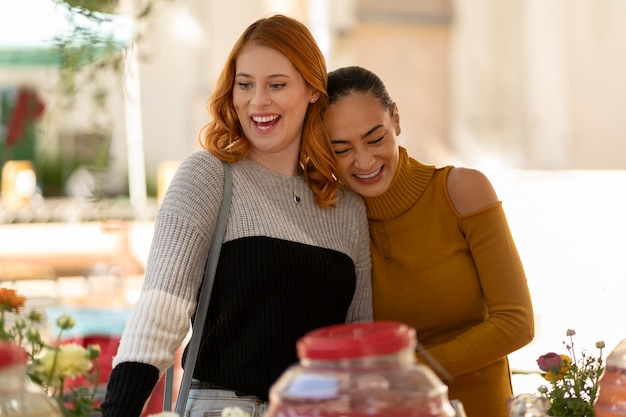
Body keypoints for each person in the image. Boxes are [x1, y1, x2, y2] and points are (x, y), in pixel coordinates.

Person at [100, 17, 372, 417]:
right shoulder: (208, 175)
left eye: (276, 85)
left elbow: (358, 338)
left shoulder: (346, 207)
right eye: (245, 84)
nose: (257, 101)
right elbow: (160, 311)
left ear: (313, 91)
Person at [323, 65, 534, 417]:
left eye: (375, 138)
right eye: (342, 149)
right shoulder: (328, 223)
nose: (364, 160)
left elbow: (516, 322)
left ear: (396, 119)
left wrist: (407, 370)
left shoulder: (461, 192)